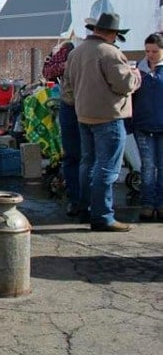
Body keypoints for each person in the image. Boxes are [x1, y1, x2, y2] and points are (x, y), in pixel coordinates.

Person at [62, 12, 141, 231]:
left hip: (84, 115)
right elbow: (124, 85)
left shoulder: (76, 53)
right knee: (106, 168)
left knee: (87, 164)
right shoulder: (110, 53)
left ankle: (85, 208)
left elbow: (67, 88)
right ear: (113, 34)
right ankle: (103, 215)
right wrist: (135, 77)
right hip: (108, 116)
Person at [42, 38, 80, 216]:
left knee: (87, 158)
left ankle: (86, 201)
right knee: (74, 156)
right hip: (72, 105)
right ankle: (77, 200)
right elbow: (48, 71)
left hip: (84, 107)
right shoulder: (66, 48)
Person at [132, 32, 163, 221]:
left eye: (154, 51)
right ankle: (147, 203)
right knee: (148, 166)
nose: (150, 54)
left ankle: (160, 202)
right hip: (143, 124)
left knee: (162, 165)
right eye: (147, 51)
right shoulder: (138, 69)